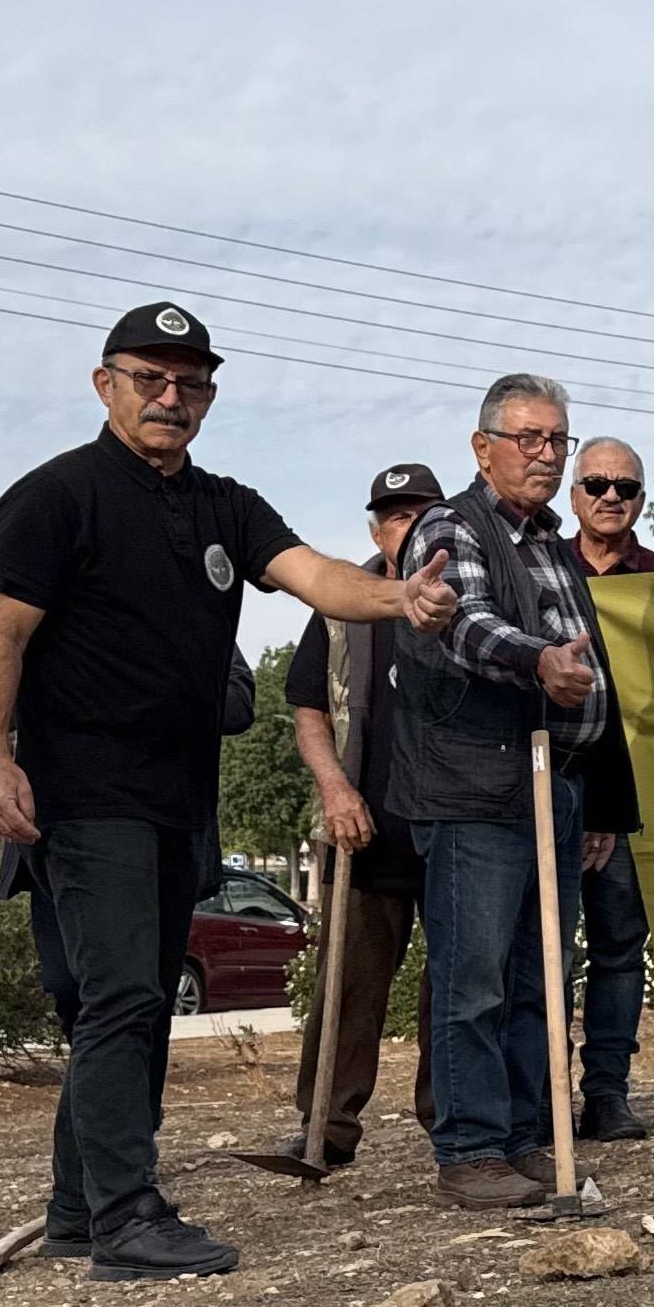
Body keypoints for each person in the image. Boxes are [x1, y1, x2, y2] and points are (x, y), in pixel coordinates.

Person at [0, 302, 457, 1280]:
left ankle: (79, 1211)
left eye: (189, 383)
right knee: (120, 1002)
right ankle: (125, 1219)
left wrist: (401, 598)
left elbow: (318, 577)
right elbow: (0, 641)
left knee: (137, 1005)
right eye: (149, 378)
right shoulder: (54, 497)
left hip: (178, 799)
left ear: (210, 398)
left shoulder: (226, 506)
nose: (170, 397)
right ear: (105, 384)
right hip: (82, 792)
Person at [390, 373, 611, 1210]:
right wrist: (537, 661)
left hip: (551, 787)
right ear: (483, 448)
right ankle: (471, 1146)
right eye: (529, 439)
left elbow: (596, 669)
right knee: (474, 977)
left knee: (537, 975)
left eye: (557, 439)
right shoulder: (451, 525)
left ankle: (523, 1137)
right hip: (475, 789)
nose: (547, 455)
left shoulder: (553, 541)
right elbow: (463, 622)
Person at [281, 462, 447, 1170]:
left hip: (452, 826)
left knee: (459, 987)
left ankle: (457, 1127)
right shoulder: (338, 605)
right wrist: (334, 791)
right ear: (375, 529)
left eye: (420, 513)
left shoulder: (468, 599)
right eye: (395, 515)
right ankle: (326, 1127)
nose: (407, 527)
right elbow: (308, 709)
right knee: (347, 985)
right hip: (364, 826)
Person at [563, 437, 654, 1140]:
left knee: (617, 947)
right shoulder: (538, 570)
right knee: (542, 952)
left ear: (642, 498)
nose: (611, 497)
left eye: (626, 487)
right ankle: (538, 1094)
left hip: (631, 800)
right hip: (550, 793)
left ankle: (606, 1092)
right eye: (597, 484)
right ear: (574, 494)